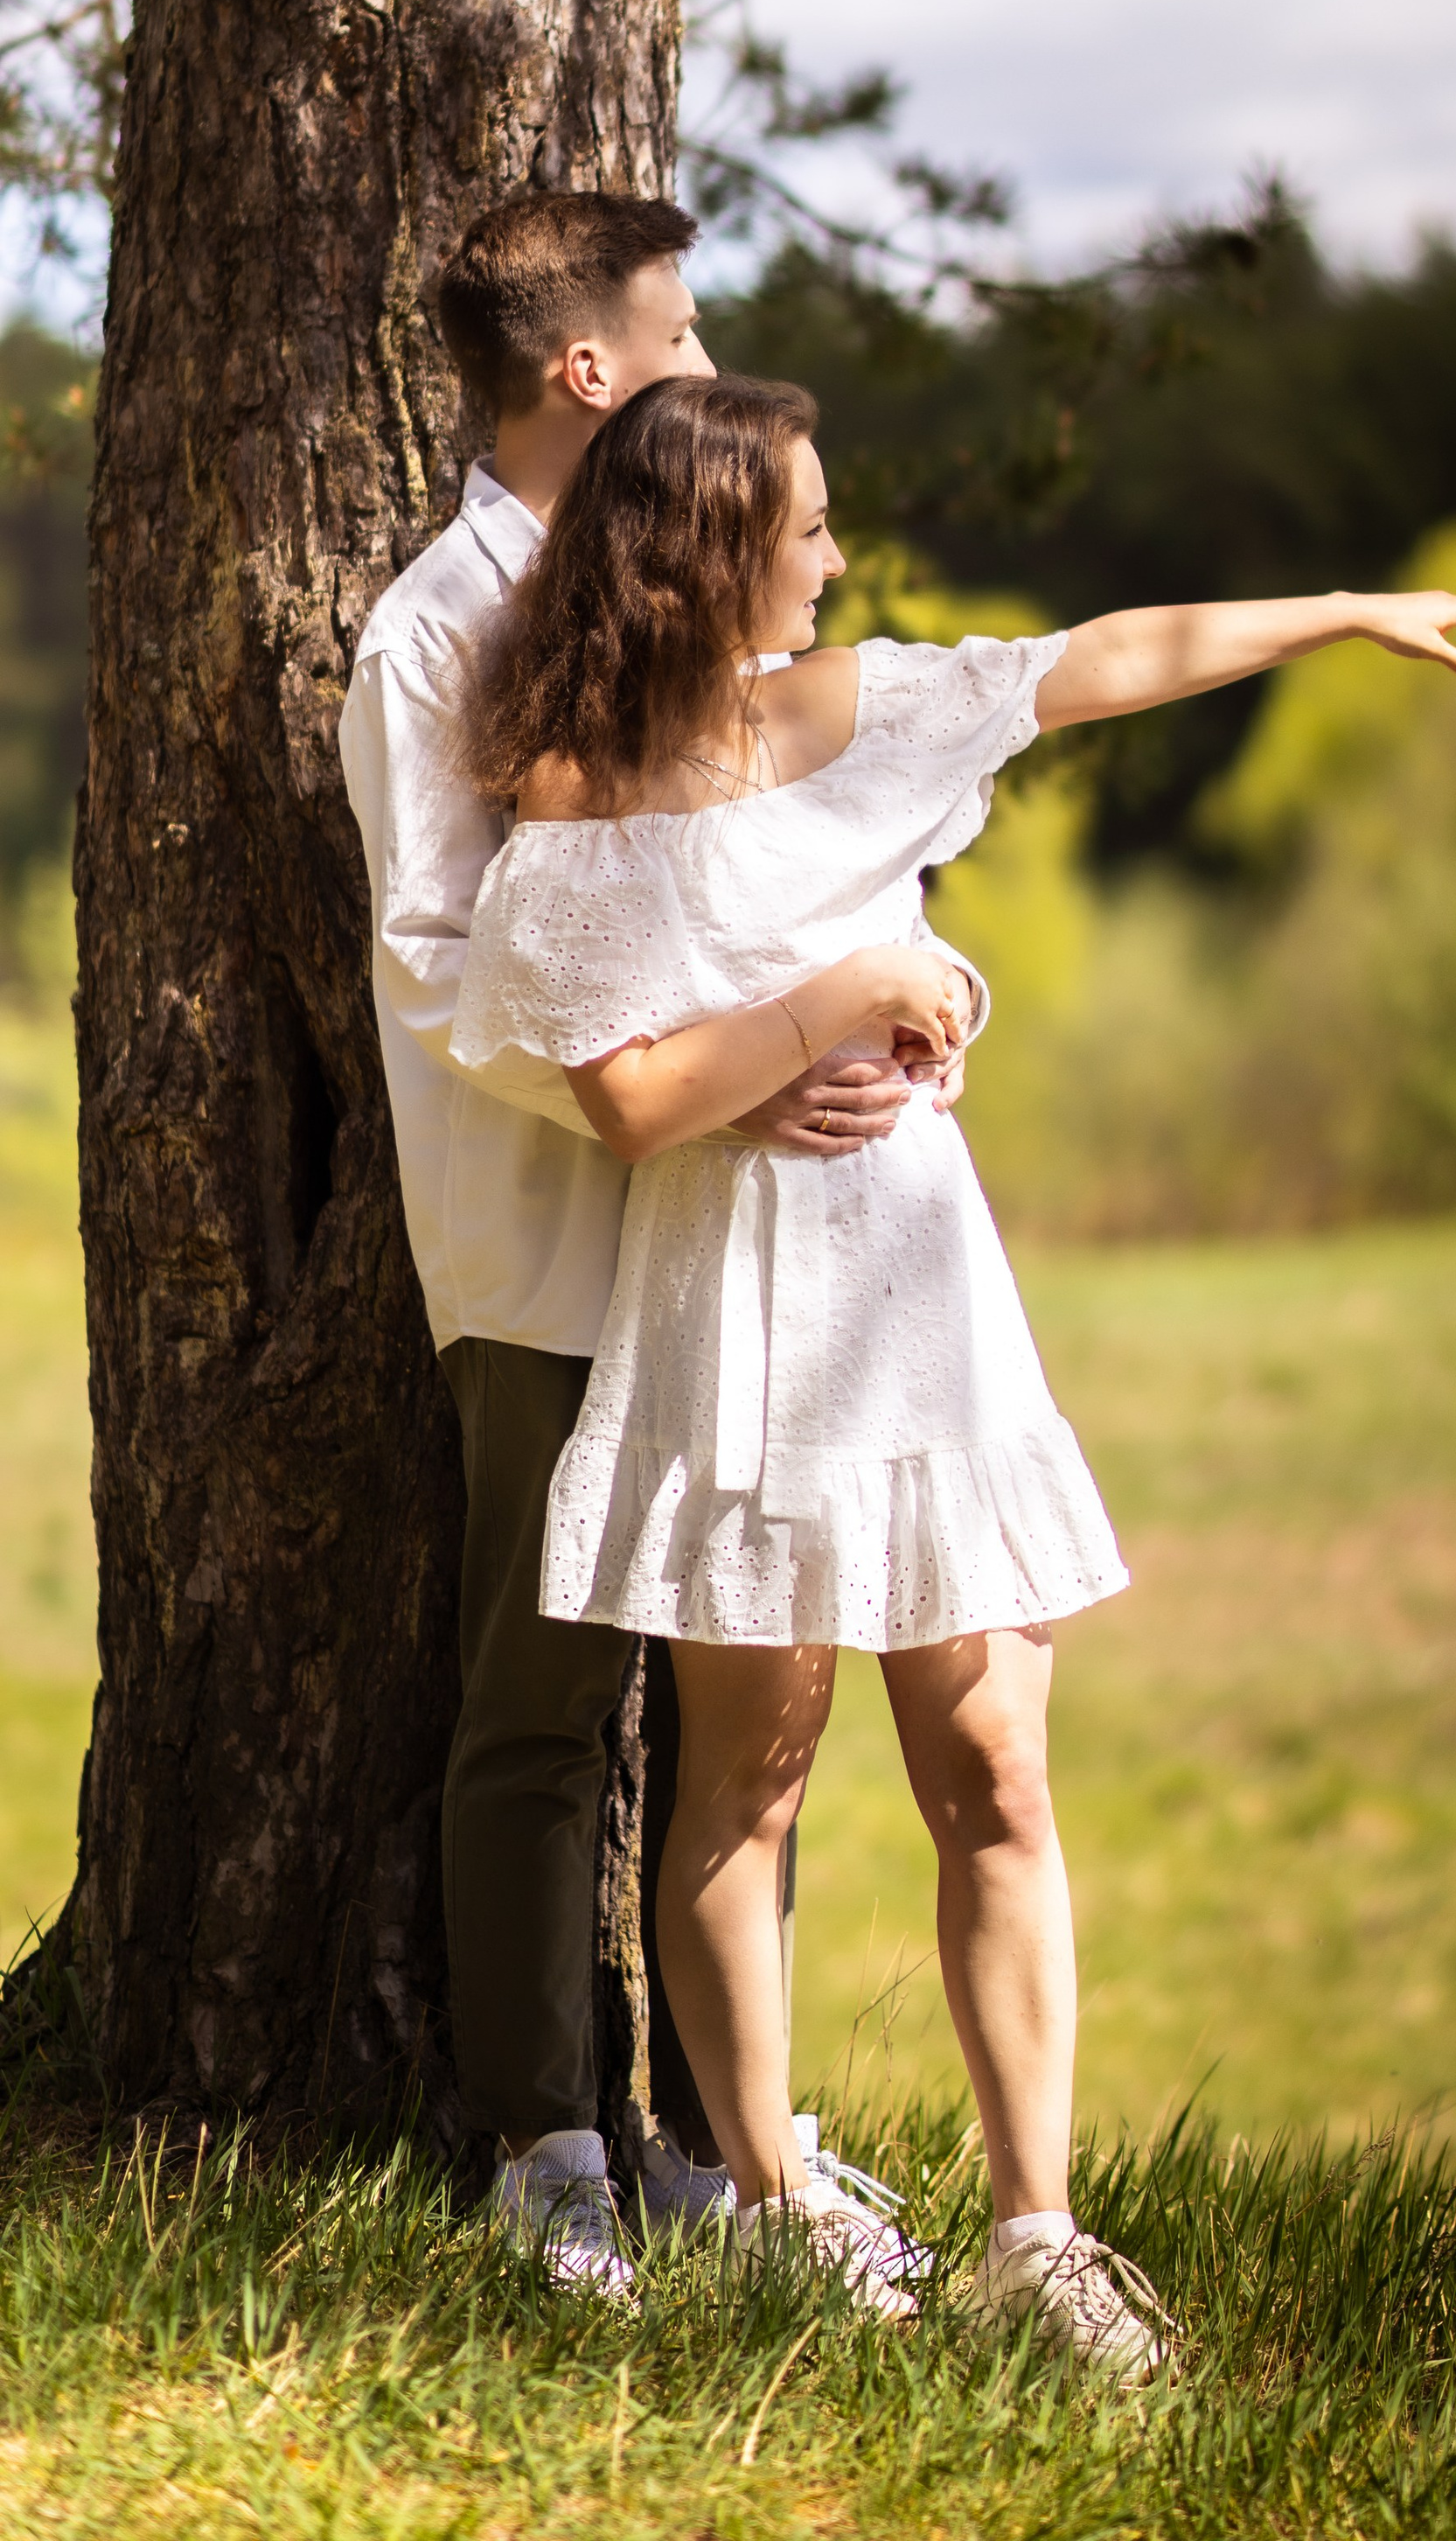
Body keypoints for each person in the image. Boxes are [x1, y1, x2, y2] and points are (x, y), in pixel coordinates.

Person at [449, 372, 1456, 2374]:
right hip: (739, 1319)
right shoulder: (581, 787)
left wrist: (1352, 608)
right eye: (809, 524)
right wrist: (846, 991)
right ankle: (773, 2213)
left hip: (922, 1297)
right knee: (748, 1790)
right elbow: (629, 1102)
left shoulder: (856, 711)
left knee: (997, 1771)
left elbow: (1099, 660)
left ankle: (1039, 2237)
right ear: (705, 548)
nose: (838, 555)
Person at [339, 191, 972, 2297]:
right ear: (585, 372)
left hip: (753, 1251)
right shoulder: (434, 632)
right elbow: (447, 970)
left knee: (743, 1717)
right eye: (679, 344)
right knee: (542, 1700)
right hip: (549, 1245)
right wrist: (706, 1075)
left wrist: (893, 1020)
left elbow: (794, 866)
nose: (707, 373)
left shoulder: (695, 595)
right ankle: (546, 2146)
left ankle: (732, 2152)